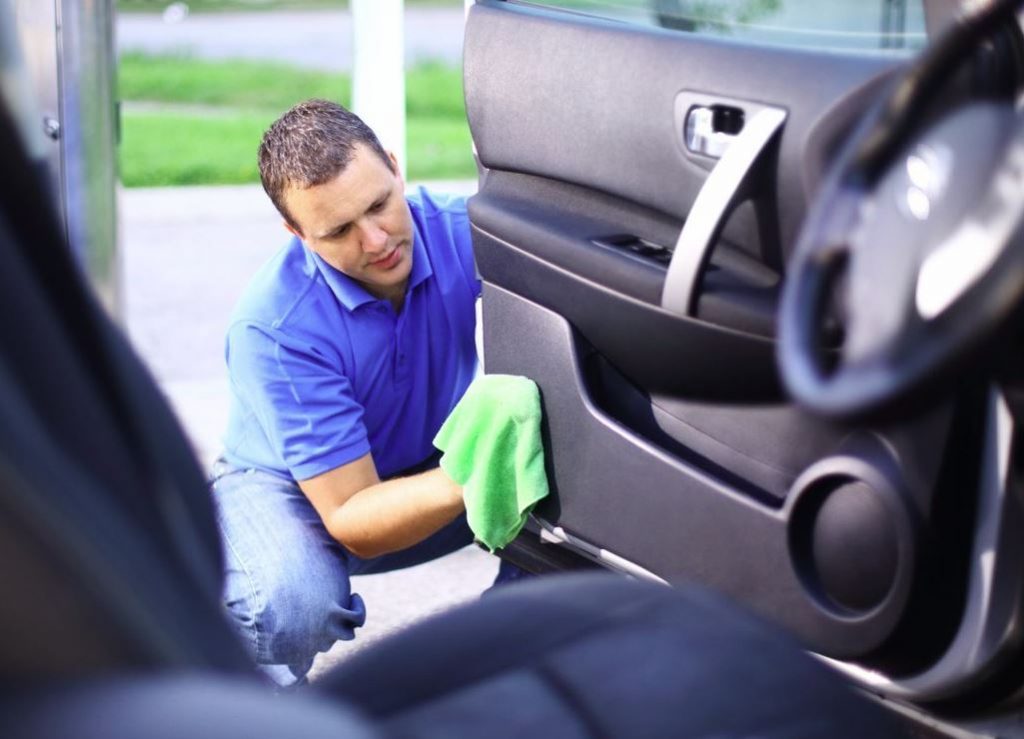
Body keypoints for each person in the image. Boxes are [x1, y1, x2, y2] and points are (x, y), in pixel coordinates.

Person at [209, 99, 503, 688]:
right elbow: (352, 515)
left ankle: (517, 641)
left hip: (421, 460)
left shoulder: (462, 232)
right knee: (290, 604)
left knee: (572, 469)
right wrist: (484, 469)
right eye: (339, 231)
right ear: (297, 234)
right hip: (296, 493)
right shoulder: (276, 328)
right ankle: (237, 689)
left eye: (378, 205)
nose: (375, 240)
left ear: (395, 167)